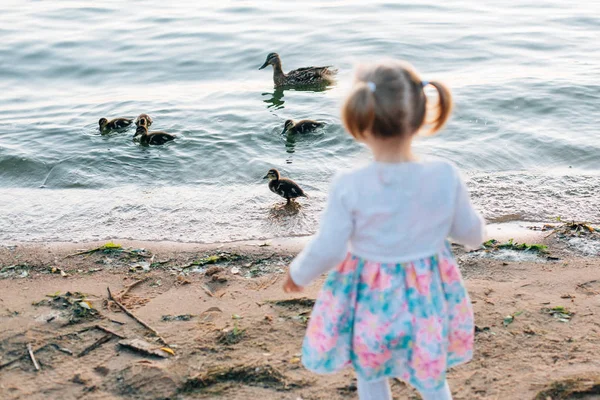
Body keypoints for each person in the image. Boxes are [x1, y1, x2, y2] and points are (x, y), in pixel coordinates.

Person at [283, 60, 486, 400]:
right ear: (421, 117)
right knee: (431, 377)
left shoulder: (349, 184)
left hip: (369, 299)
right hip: (426, 297)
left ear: (358, 122)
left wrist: (299, 273)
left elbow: (329, 247)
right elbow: (472, 234)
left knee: (371, 373)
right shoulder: (444, 175)